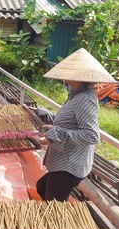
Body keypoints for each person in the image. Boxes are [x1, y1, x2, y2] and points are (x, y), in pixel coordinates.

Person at [38, 48, 113, 202]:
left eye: (68, 76)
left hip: (69, 165)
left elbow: (92, 135)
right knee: (41, 187)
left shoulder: (84, 99)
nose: (65, 80)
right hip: (64, 160)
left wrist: (58, 133)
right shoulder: (76, 95)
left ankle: (55, 225)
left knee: (53, 207)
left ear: (78, 78)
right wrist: (46, 114)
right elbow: (70, 122)